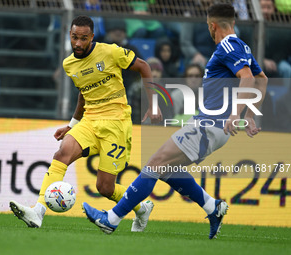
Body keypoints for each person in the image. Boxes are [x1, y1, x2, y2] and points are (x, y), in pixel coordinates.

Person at [82, 3, 268, 239]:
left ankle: (111, 219)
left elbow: (249, 78)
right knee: (167, 169)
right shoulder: (242, 46)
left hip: (210, 124)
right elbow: (262, 79)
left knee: (154, 163)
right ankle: (213, 208)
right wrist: (249, 116)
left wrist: (235, 114)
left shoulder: (228, 45)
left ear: (212, 26)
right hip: (211, 125)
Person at [9, 15, 162, 231]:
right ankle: (38, 211)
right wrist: (71, 125)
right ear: (69, 36)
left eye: (83, 38)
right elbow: (84, 93)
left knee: (105, 187)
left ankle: (141, 208)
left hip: (116, 123)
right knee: (61, 154)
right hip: (90, 120)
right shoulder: (69, 64)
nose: (78, 43)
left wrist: (153, 104)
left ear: (91, 37)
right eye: (74, 38)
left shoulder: (110, 52)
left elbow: (144, 67)